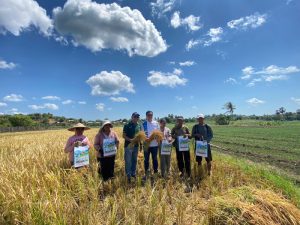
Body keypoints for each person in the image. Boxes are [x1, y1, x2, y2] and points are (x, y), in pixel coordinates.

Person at [123, 112, 141, 183]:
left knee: (134, 160)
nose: (136, 118)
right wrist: (131, 140)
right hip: (128, 146)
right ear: (132, 117)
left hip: (136, 146)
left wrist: (140, 144)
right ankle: (128, 176)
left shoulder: (138, 126)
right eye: (135, 117)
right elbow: (124, 136)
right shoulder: (127, 125)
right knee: (128, 161)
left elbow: (139, 136)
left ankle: (133, 173)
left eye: (137, 117)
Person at [142, 110, 159, 178]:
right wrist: (147, 139)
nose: (150, 116)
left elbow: (157, 133)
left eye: (151, 115)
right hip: (146, 145)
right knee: (146, 159)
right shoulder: (143, 124)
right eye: (148, 115)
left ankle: (155, 172)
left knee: (155, 159)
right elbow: (142, 134)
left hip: (154, 145)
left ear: (152, 115)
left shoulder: (156, 123)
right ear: (146, 116)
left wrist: (152, 138)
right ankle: (147, 172)